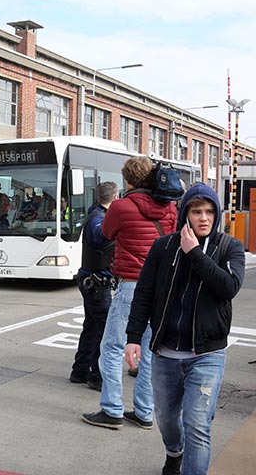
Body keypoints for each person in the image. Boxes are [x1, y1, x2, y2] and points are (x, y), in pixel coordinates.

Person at [125, 183, 244, 475]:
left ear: (217, 214)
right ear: (185, 214)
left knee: (197, 424)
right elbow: (144, 294)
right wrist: (133, 338)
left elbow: (228, 287)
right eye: (196, 211)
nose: (204, 218)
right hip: (165, 352)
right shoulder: (163, 247)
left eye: (209, 212)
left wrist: (194, 254)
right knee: (166, 418)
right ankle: (173, 452)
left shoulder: (230, 247)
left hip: (208, 354)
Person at [82, 156, 177, 430]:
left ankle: (112, 410)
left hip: (131, 286)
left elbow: (103, 236)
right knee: (149, 351)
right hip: (160, 288)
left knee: (111, 348)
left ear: (128, 179)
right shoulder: (169, 208)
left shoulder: (122, 207)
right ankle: (145, 412)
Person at [70, 181, 119, 392]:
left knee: (91, 326)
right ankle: (96, 375)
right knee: (104, 330)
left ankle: (80, 371)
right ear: (115, 197)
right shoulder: (99, 220)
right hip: (97, 282)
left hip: (92, 280)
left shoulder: (95, 214)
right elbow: (101, 240)